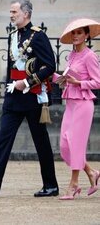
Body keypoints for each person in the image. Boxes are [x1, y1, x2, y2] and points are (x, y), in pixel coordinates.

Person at [0, 0, 58, 197]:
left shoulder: (38, 36)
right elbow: (13, 67)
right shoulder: (12, 35)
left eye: (14, 12)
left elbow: (50, 66)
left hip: (32, 96)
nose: (11, 15)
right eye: (10, 12)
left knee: (40, 142)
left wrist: (27, 82)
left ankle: (51, 185)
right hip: (13, 97)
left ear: (26, 14)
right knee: (3, 140)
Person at [58, 18, 100, 200]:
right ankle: (92, 172)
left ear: (87, 35)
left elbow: (97, 82)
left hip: (83, 105)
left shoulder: (90, 56)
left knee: (75, 144)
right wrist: (63, 80)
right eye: (73, 33)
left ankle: (74, 184)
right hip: (70, 103)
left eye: (79, 33)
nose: (75, 36)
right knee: (64, 145)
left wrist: (78, 82)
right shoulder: (72, 55)